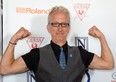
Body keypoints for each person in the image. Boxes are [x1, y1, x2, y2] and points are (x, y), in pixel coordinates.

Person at [0, 6, 114, 82]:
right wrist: (14, 39)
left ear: (69, 28)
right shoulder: (37, 54)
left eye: (64, 24)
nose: (60, 29)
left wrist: (101, 37)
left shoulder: (80, 53)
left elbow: (108, 64)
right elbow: (5, 69)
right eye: (55, 24)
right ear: (48, 28)